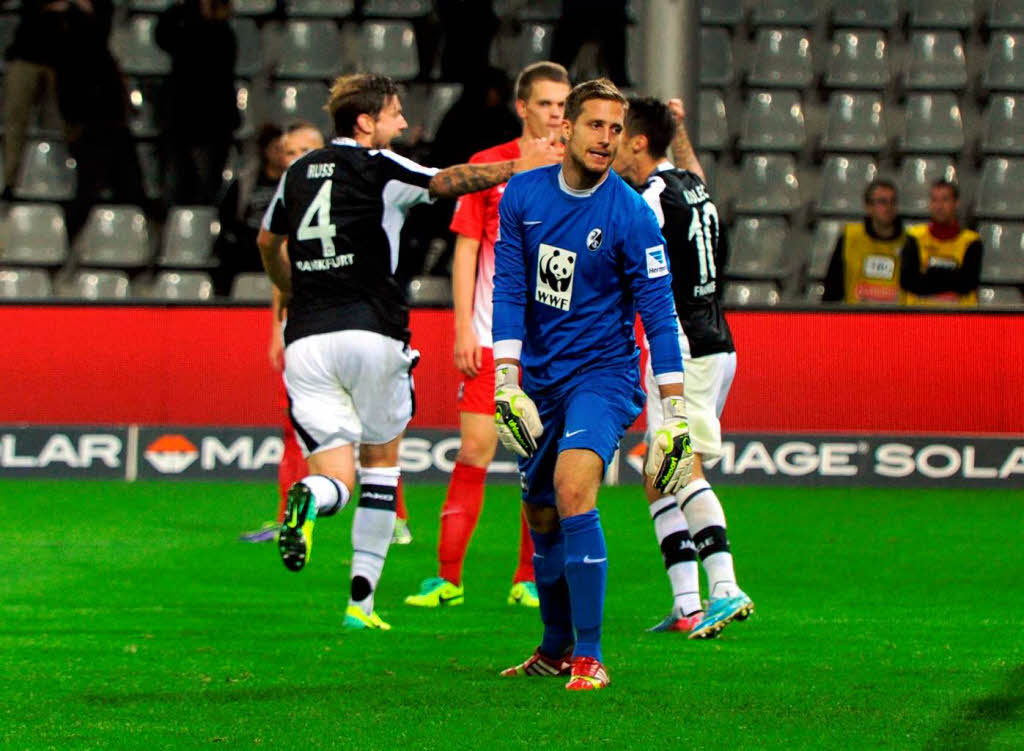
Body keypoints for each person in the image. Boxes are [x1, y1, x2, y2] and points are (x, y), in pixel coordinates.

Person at [257, 72, 560, 630]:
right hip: (371, 332)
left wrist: (290, 283)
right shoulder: (382, 167)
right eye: (395, 115)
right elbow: (447, 181)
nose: (402, 124)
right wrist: (520, 166)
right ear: (366, 121)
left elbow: (267, 241)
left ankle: (309, 495)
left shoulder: (298, 172)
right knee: (380, 468)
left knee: (334, 477)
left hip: (306, 341)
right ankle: (360, 604)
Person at [492, 79, 694, 691]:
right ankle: (553, 648)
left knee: (573, 487)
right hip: (543, 378)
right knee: (540, 512)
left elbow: (659, 314)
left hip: (603, 378)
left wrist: (676, 413)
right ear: (566, 130)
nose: (606, 138)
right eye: (595, 125)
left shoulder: (631, 214)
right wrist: (506, 377)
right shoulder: (523, 195)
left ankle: (590, 654)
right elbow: (508, 287)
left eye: (615, 128)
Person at [404, 62, 571, 610]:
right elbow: (468, 247)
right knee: (475, 450)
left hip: (551, 344)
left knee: (539, 461)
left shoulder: (578, 169)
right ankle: (447, 577)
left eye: (562, 105)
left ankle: (529, 578)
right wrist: (460, 327)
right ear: (523, 107)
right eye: (546, 104)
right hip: (489, 335)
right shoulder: (488, 167)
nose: (556, 114)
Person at [613, 96, 754, 638]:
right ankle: (686, 605)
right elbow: (691, 168)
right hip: (718, 342)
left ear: (639, 142)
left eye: (620, 137)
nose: (613, 147)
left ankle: (725, 587)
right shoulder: (692, 187)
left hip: (682, 350)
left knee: (681, 464)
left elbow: (630, 270)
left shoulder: (648, 199)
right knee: (656, 475)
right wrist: (681, 129)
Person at [55, 0, 147, 239]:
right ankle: (71, 240)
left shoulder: (102, 56)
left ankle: (126, 240)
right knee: (89, 190)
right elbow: (67, 92)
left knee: (129, 190)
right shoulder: (71, 54)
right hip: (90, 128)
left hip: (112, 126)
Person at [156, 0, 238, 205]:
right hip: (182, 117)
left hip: (215, 120)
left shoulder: (222, 30)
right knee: (178, 187)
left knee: (209, 189)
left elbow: (223, 67)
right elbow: (163, 37)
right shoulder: (181, 21)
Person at [2, 0, 65, 202]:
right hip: (27, 54)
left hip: (67, 59)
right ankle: (10, 183)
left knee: (69, 123)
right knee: (14, 122)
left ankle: (65, 180)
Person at [822, 179, 912, 304]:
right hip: (856, 319)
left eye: (893, 202)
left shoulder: (910, 242)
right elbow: (832, 289)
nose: (888, 207)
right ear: (868, 207)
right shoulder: (850, 237)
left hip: (897, 320)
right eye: (882, 202)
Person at [901, 180, 983, 307]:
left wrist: (929, 275)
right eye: (934, 200)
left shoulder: (971, 241)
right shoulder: (914, 237)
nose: (939, 206)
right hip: (919, 318)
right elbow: (910, 283)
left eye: (945, 200)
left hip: (959, 319)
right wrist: (953, 277)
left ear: (956, 203)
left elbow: (967, 284)